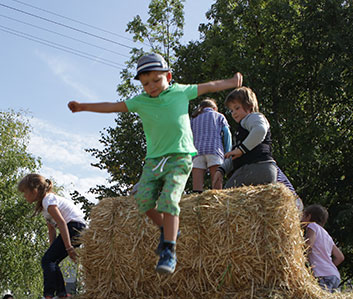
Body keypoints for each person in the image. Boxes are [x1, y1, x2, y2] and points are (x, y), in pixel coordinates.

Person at [68, 53, 242, 274]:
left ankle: (169, 250)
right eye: (146, 83)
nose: (151, 86)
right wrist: (83, 106)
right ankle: (166, 227)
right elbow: (112, 106)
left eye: (156, 80)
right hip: (154, 161)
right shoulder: (140, 102)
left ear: (168, 76)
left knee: (169, 198)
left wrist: (231, 82)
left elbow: (209, 86)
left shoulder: (180, 91)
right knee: (143, 199)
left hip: (180, 157)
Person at [18, 174, 87, 299]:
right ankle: (62, 294)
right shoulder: (44, 207)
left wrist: (69, 248)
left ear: (34, 190)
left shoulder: (48, 200)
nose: (24, 196)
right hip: (74, 228)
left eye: (25, 192)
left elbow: (61, 223)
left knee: (47, 261)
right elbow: (51, 230)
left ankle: (48, 295)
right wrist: (51, 251)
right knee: (50, 260)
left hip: (74, 227)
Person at [212, 86, 276, 189]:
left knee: (226, 198)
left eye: (237, 108)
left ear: (250, 107)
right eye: (231, 110)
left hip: (255, 167)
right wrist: (221, 170)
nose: (234, 113)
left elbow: (260, 130)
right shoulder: (242, 129)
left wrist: (241, 150)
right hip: (262, 169)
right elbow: (235, 155)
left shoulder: (252, 117)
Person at [190, 98, 232, 192]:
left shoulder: (193, 118)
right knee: (216, 182)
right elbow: (227, 134)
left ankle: (197, 203)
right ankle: (217, 201)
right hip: (214, 150)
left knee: (197, 187)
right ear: (214, 108)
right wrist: (228, 152)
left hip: (197, 152)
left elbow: (188, 136)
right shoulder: (219, 116)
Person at [301, 205, 345, 292]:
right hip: (334, 275)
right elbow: (340, 257)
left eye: (303, 215)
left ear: (309, 216)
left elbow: (308, 245)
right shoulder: (327, 235)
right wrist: (328, 267)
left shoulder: (312, 226)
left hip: (322, 276)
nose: (301, 219)